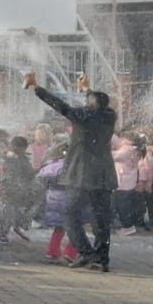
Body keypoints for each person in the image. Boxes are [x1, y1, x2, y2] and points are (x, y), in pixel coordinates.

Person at [25, 74, 118, 272]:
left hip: (82, 174)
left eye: (87, 101)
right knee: (100, 219)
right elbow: (99, 103)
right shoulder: (110, 116)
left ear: (90, 106)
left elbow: (59, 104)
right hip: (104, 174)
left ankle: (86, 253)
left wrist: (36, 87)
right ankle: (101, 258)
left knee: (68, 213)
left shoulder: (82, 117)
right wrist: (87, 89)